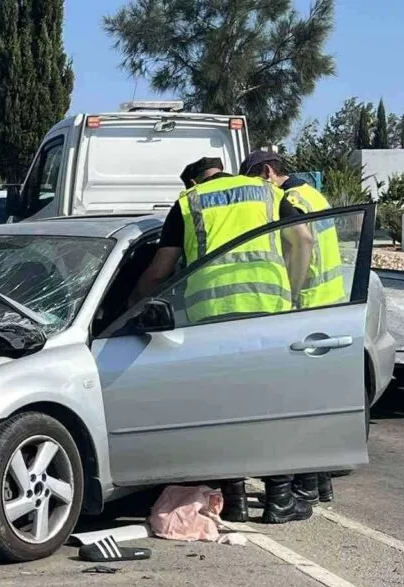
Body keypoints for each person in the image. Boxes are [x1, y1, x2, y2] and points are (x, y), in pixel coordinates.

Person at [131, 156, 315, 524]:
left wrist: (133, 307)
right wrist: (292, 292)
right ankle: (278, 497)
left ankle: (235, 501)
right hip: (267, 310)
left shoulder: (189, 203)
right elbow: (304, 238)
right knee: (269, 408)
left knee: (226, 411)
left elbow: (159, 271)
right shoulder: (265, 191)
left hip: (210, 320)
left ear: (192, 182)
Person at [241, 149, 344, 505]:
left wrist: (291, 291)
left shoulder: (290, 199)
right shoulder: (314, 193)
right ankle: (318, 484)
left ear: (268, 172)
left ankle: (301, 488)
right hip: (331, 306)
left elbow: (303, 241)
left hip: (307, 309)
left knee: (294, 406)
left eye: (256, 182)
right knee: (314, 404)